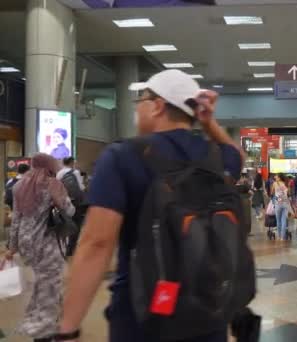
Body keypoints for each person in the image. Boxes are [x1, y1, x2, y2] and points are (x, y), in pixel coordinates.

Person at [57, 70, 244, 342]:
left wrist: (68, 329)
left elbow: (97, 243)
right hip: (208, 311)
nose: (137, 108)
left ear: (157, 106)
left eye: (141, 100)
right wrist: (209, 123)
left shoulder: (122, 156)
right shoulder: (215, 156)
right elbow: (235, 157)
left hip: (141, 315)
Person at [4, 153, 75, 341]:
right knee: (50, 287)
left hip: (27, 244)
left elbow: (16, 219)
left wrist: (12, 247)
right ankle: (44, 331)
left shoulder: (19, 186)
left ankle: (40, 321)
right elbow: (69, 210)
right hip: (46, 242)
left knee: (40, 283)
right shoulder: (53, 185)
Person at [271, 174, 291, 241]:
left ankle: (279, 236)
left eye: (276, 176)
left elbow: (272, 192)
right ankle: (283, 237)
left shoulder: (274, 183)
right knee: (284, 220)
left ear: (279, 178)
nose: (275, 177)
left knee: (278, 220)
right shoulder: (286, 183)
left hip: (278, 203)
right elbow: (289, 193)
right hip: (285, 202)